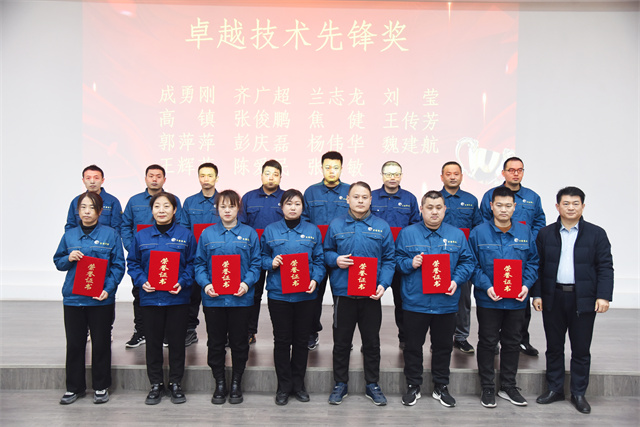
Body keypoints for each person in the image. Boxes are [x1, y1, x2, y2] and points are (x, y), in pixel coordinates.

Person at [532, 187, 614, 414]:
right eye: (566, 203)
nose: (570, 208)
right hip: (553, 297)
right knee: (554, 347)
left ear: (583, 206)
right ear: (557, 206)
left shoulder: (597, 234)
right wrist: (537, 294)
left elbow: (605, 267)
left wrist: (603, 296)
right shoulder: (545, 234)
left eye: (575, 203)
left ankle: (578, 393)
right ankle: (555, 389)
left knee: (580, 349)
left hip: (583, 298)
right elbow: (537, 267)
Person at [396, 191, 475, 407]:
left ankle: (441, 386)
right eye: (429, 207)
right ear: (421, 209)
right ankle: (413, 385)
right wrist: (410, 263)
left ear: (445, 209)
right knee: (413, 347)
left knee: (443, 347)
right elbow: (396, 260)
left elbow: (467, 262)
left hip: (445, 303)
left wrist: (456, 280)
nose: (434, 212)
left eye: (438, 207)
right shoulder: (407, 234)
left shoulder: (457, 235)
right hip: (415, 302)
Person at [324, 182, 395, 406]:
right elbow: (326, 252)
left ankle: (372, 384)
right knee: (341, 342)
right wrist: (335, 259)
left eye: (365, 197)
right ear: (348, 199)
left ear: (371, 200)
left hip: (371, 295)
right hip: (344, 294)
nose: (361, 201)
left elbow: (389, 259)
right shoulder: (336, 225)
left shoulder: (381, 227)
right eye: (356, 197)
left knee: (371, 342)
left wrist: (384, 284)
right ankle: (340, 384)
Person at [469, 186, 539, 408]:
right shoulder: (478, 232)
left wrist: (526, 285)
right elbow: (471, 264)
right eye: (499, 205)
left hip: (516, 300)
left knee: (512, 342)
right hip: (488, 299)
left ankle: (508, 386)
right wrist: (486, 285)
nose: (503, 209)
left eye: (508, 205)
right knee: (488, 342)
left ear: (514, 207)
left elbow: (533, 262)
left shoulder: (525, 232)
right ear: (491, 206)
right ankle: (488, 387)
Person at [54, 191, 125, 405]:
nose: (86, 211)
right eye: (83, 207)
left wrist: (108, 289)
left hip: (100, 299)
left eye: (91, 207)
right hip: (73, 299)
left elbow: (118, 265)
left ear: (100, 211)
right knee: (75, 344)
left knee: (101, 343)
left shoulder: (111, 235)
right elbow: (58, 262)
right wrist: (68, 257)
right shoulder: (69, 235)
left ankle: (101, 386)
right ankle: (73, 388)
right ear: (78, 211)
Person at [126, 192, 196, 405]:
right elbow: (133, 263)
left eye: (166, 206)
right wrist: (142, 281)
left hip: (177, 299)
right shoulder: (141, 236)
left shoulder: (186, 235)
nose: (162, 210)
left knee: (177, 343)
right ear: (152, 210)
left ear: (175, 210)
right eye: (157, 206)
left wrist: (182, 282)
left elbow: (193, 263)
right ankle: (155, 384)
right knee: (153, 343)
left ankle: (175, 383)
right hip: (150, 298)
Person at [195, 190, 261, 405]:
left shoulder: (250, 233)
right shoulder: (207, 234)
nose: (227, 210)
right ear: (217, 209)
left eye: (231, 206)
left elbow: (256, 264)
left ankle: (236, 383)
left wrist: (246, 283)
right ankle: (220, 382)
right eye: (223, 206)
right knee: (215, 343)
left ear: (238, 208)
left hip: (241, 299)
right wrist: (206, 284)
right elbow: (199, 264)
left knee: (240, 342)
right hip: (213, 299)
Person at [261, 189, 325, 405]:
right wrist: (271, 263)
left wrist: (315, 279)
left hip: (305, 296)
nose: (293, 207)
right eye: (288, 203)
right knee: (281, 341)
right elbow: (260, 257)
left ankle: (298, 385)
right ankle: (283, 386)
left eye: (297, 204)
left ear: (302, 207)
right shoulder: (270, 230)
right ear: (281, 207)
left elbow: (319, 260)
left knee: (301, 340)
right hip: (279, 295)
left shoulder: (312, 230)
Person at [480, 157, 545, 357]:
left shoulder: (532, 197)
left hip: (520, 254)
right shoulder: (491, 195)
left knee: (520, 301)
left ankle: (522, 340)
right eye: (511, 170)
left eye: (519, 170)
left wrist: (528, 238)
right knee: (494, 303)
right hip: (494, 254)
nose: (515, 173)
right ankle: (494, 342)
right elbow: (483, 221)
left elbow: (539, 221)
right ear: (503, 173)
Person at [121, 164, 183, 348]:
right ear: (145, 178)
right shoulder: (134, 201)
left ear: (164, 179)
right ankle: (141, 331)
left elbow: (180, 225)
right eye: (151, 176)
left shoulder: (173, 200)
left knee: (168, 293)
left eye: (158, 176)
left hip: (168, 258)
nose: (154, 179)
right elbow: (125, 226)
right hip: (144, 257)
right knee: (140, 293)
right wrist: (132, 247)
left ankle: (165, 334)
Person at [301, 151, 350, 350]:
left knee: (343, 298)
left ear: (341, 168)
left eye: (335, 167)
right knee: (313, 295)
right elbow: (304, 221)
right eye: (327, 167)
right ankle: (311, 333)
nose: (331, 171)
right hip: (317, 254)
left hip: (342, 254)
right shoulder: (311, 192)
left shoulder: (349, 191)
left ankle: (343, 338)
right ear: (321, 168)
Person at [371, 161, 420, 350]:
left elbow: (415, 227)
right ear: (382, 175)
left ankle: (404, 338)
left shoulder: (410, 198)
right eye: (389, 173)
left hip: (401, 258)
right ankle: (370, 341)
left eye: (396, 174)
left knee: (402, 300)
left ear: (401, 175)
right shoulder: (372, 197)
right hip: (376, 259)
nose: (392, 177)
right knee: (371, 301)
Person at [440, 161, 483, 354]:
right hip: (439, 258)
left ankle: (461, 337)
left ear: (461, 176)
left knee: (463, 300)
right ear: (442, 177)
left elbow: (477, 229)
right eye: (448, 174)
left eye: (456, 173)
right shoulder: (436, 198)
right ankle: (441, 337)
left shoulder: (471, 200)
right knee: (439, 297)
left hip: (464, 258)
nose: (452, 177)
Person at [239, 159, 285, 345]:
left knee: (282, 293)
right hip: (254, 254)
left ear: (280, 177)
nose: (271, 177)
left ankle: (284, 335)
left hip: (280, 255)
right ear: (261, 175)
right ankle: (249, 331)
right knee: (253, 293)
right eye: (267, 173)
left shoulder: (286, 198)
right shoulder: (248, 198)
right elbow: (242, 225)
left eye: (275, 174)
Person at [181, 162, 221, 347]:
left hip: (219, 257)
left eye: (210, 175)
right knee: (192, 295)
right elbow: (184, 229)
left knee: (219, 294)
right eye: (202, 175)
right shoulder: (190, 202)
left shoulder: (223, 201)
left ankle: (221, 334)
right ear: (198, 178)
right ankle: (190, 330)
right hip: (195, 256)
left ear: (216, 178)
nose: (206, 179)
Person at [65, 165, 123, 235]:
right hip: (80, 240)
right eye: (88, 178)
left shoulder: (112, 201)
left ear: (102, 180)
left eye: (96, 178)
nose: (92, 181)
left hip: (104, 241)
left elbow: (117, 229)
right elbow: (70, 226)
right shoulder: (76, 201)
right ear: (83, 180)